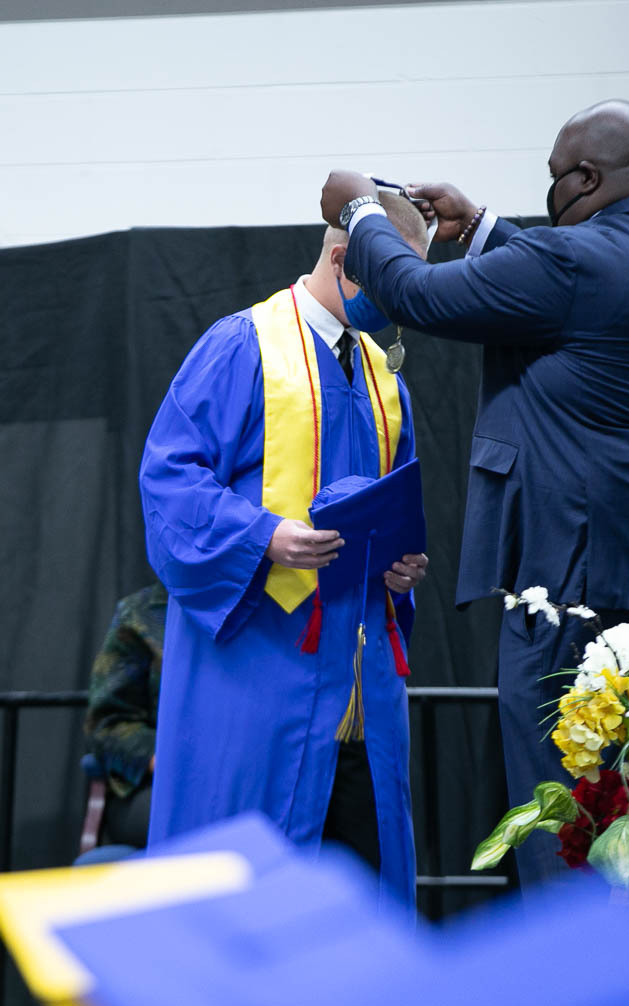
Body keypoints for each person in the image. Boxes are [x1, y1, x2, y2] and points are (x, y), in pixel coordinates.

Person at [317, 99, 629, 886]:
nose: (550, 193)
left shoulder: (571, 263)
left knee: (566, 827)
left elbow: (417, 294)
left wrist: (360, 210)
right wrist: (483, 227)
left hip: (576, 590)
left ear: (585, 178)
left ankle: (574, 964)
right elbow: (576, 289)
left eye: (553, 177)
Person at [138, 191, 431, 905]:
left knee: (361, 902)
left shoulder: (385, 378)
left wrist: (400, 568)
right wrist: (263, 534)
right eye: (395, 279)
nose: (406, 302)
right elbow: (169, 479)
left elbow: (394, 507)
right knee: (249, 897)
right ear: (345, 258)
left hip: (360, 691)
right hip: (261, 681)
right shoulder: (243, 345)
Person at [83, 582, 167, 850]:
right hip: (154, 785)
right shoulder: (141, 613)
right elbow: (107, 725)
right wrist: (164, 760)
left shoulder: (263, 610)